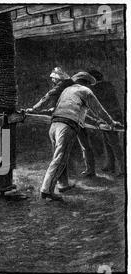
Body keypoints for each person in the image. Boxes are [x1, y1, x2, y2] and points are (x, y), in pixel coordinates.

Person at [40, 72, 119, 201]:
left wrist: (95, 121)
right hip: (66, 127)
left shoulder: (67, 91)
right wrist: (111, 122)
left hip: (54, 125)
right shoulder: (85, 91)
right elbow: (99, 111)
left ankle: (62, 185)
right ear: (86, 82)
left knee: (58, 157)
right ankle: (46, 190)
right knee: (60, 159)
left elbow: (78, 112)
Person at [27, 67, 96, 177]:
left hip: (71, 118)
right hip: (71, 117)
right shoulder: (76, 88)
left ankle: (85, 171)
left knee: (68, 148)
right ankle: (84, 171)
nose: (52, 81)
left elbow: (48, 96)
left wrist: (35, 108)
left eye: (53, 79)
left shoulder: (65, 85)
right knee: (77, 146)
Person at [88, 69, 124, 176]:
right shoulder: (108, 86)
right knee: (108, 142)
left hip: (110, 117)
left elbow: (97, 106)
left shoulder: (97, 88)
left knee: (114, 144)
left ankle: (122, 169)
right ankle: (110, 165)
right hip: (113, 116)